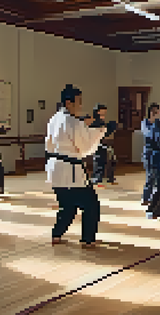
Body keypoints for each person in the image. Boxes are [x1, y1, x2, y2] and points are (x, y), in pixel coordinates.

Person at [46, 84, 108, 248]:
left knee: (67, 206)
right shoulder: (72, 121)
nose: (80, 106)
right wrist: (99, 131)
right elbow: (85, 147)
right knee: (91, 204)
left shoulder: (54, 119)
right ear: (68, 103)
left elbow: (49, 145)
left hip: (56, 169)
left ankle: (56, 234)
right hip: (71, 171)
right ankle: (88, 239)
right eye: (78, 102)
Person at [89, 104, 117, 186]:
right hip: (95, 143)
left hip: (100, 142)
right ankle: (97, 177)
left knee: (109, 157)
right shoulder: (95, 120)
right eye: (102, 112)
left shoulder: (101, 120)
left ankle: (109, 177)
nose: (104, 114)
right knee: (99, 158)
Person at [141, 103, 160, 205]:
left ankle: (155, 198)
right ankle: (145, 197)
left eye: (157, 112)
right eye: (153, 112)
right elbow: (149, 134)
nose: (155, 114)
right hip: (149, 152)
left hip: (159, 153)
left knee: (158, 177)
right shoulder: (145, 123)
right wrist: (154, 123)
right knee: (150, 176)